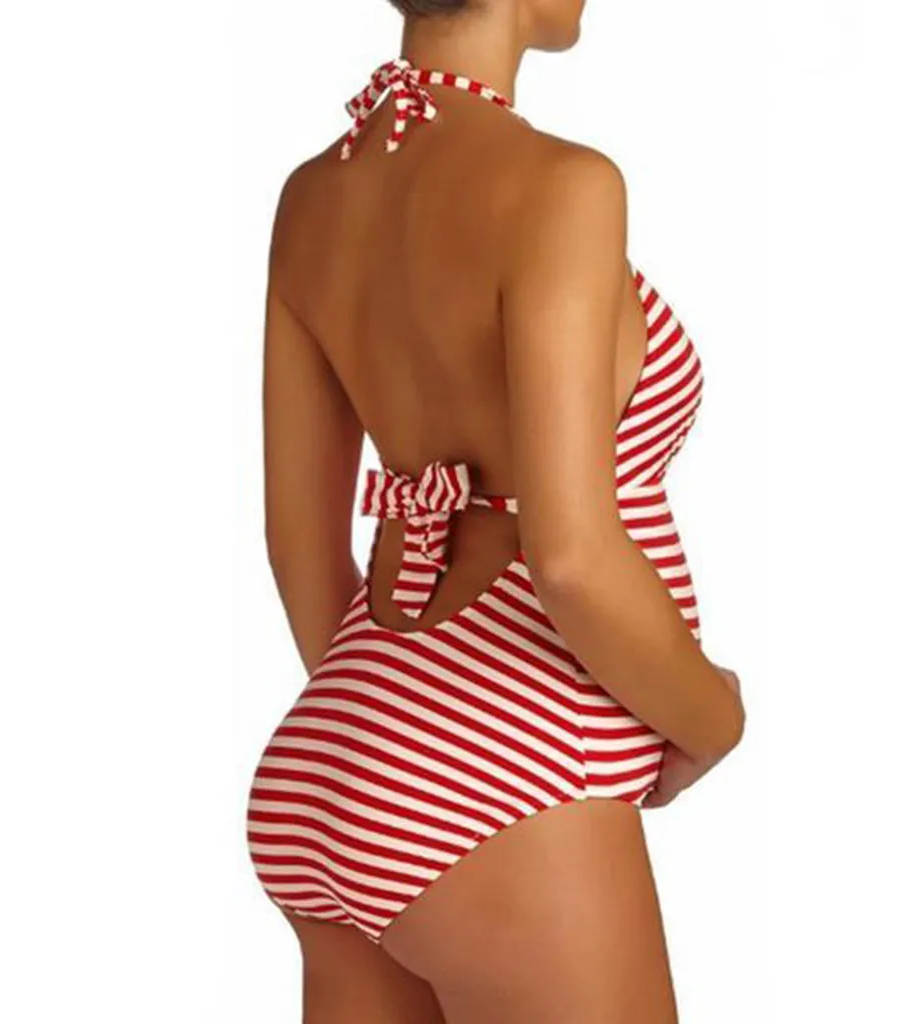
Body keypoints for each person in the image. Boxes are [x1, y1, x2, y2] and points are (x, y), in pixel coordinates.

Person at [245, 1, 745, 1020]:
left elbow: (297, 544)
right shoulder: (563, 187)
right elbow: (570, 557)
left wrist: (394, 748)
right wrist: (710, 718)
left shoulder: (312, 198)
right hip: (511, 783)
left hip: (329, 760)